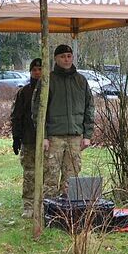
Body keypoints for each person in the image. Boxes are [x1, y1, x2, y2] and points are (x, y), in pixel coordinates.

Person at [43, 44, 95, 198]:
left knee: (71, 178)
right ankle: (48, 208)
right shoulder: (48, 80)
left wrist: (87, 135)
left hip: (75, 137)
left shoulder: (81, 80)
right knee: (50, 176)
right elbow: (38, 110)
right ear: (56, 59)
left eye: (69, 56)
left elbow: (89, 107)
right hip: (54, 137)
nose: (66, 59)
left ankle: (67, 209)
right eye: (62, 56)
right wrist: (43, 136)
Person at [10, 57, 43, 218]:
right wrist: (16, 137)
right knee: (30, 174)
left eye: (40, 69)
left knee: (46, 174)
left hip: (47, 139)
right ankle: (29, 206)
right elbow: (16, 116)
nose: (37, 72)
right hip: (29, 139)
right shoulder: (23, 92)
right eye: (34, 70)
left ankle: (44, 205)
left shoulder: (50, 90)